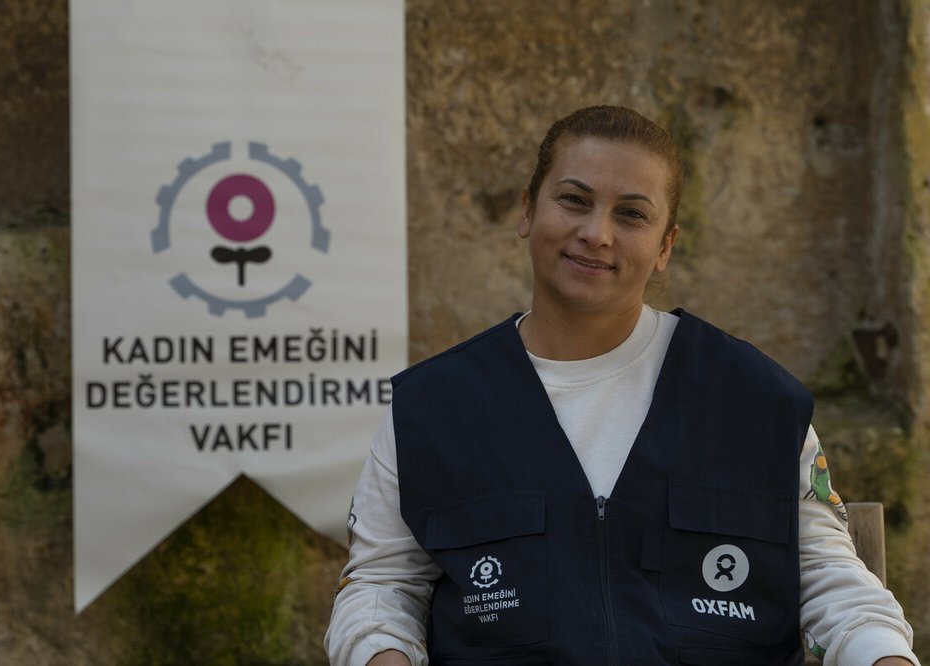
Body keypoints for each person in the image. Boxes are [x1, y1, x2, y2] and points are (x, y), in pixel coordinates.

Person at [324, 106, 920, 665]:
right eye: (574, 200)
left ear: (665, 246)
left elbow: (829, 582)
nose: (596, 233)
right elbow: (380, 587)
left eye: (631, 214)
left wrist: (884, 653)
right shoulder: (432, 410)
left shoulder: (756, 403)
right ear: (527, 210)